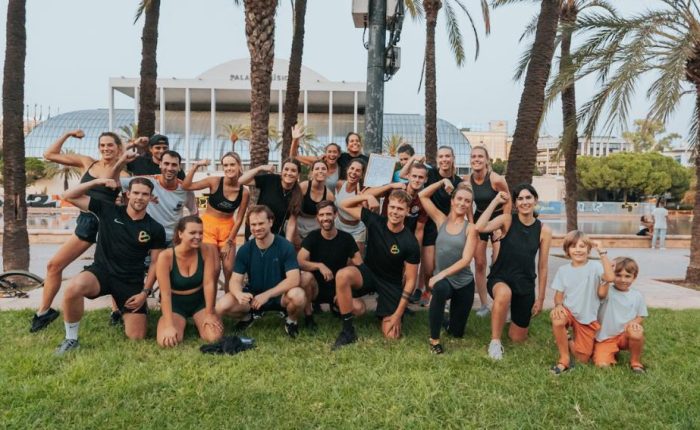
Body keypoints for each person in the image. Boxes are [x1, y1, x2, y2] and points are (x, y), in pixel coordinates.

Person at [55, 177, 166, 355]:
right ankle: (71, 339)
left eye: (145, 194)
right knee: (73, 288)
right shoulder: (107, 209)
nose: (139, 197)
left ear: (150, 197)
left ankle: (123, 311)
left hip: (130, 281)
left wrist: (145, 293)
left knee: (137, 336)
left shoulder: (155, 228)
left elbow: (155, 263)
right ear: (128, 194)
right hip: (101, 273)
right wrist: (97, 181)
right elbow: (68, 195)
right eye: (136, 193)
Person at [31, 130, 124, 333]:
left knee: (113, 268)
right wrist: (68, 134)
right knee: (54, 265)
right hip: (86, 223)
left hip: (107, 225)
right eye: (102, 145)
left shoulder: (123, 172)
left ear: (118, 148)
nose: (106, 148)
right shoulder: (87, 162)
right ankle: (44, 312)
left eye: (110, 145)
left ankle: (117, 312)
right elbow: (49, 154)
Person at [332, 190, 420, 349]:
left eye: (400, 209)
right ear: (387, 207)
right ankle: (347, 331)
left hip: (390, 283)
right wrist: (367, 196)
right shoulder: (375, 221)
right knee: (342, 275)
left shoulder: (410, 242)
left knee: (391, 336)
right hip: (369, 273)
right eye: (392, 207)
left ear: (407, 211)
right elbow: (342, 204)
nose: (395, 212)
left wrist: (398, 314)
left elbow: (411, 280)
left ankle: (384, 307)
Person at [476, 184, 552, 361]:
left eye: (528, 198)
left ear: (535, 200)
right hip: (500, 277)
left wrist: (540, 299)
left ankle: (506, 313)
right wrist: (496, 201)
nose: (525, 202)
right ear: (516, 203)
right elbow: (479, 227)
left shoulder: (544, 230)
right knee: (504, 293)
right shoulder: (507, 220)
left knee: (517, 338)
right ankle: (495, 342)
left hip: (525, 284)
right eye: (520, 198)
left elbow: (542, 266)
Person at [215, 205, 306, 338]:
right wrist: (239, 294)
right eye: (253, 224)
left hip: (280, 296)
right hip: (254, 298)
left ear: (270, 222)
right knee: (222, 305)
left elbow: (294, 279)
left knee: (298, 295)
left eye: (261, 223)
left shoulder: (285, 246)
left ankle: (291, 320)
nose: (257, 228)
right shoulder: (245, 249)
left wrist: (267, 295)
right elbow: (235, 280)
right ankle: (248, 317)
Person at [420, 180, 481, 354]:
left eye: (467, 201)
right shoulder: (441, 220)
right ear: (452, 201)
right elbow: (422, 196)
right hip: (444, 282)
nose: (462, 203)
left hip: (464, 283)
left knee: (456, 333)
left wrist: (439, 274)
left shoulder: (471, 228)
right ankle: (434, 340)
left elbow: (466, 260)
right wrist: (441, 182)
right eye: (459, 199)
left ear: (470, 205)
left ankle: (444, 319)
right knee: (439, 289)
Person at [399, 146, 463, 305]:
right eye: (441, 156)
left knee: (443, 265)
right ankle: (425, 291)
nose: (444, 159)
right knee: (428, 267)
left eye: (447, 156)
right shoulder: (431, 173)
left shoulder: (458, 182)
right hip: (427, 224)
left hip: (446, 225)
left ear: (453, 158)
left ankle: (435, 296)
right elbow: (403, 175)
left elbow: (461, 204)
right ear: (437, 159)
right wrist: (413, 159)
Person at [549, 230, 614, 374]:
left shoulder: (595, 267)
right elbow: (558, 295)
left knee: (582, 358)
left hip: (586, 317)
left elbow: (610, 278)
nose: (578, 250)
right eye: (573, 246)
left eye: (582, 246)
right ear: (567, 250)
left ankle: (567, 338)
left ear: (588, 249)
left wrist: (602, 251)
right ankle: (564, 359)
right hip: (569, 311)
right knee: (557, 319)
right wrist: (558, 305)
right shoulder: (563, 270)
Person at [182, 153, 250, 290]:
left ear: (239, 166)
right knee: (215, 269)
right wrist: (196, 166)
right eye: (225, 165)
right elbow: (186, 185)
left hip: (228, 229)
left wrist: (229, 242)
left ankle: (228, 300)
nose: (229, 168)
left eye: (232, 164)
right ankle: (210, 301)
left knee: (229, 269)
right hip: (208, 227)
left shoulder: (244, 192)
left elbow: (239, 219)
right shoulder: (214, 182)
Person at [156, 216, 223, 347]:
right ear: (180, 234)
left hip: (199, 301)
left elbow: (209, 284)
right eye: (192, 233)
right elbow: (165, 294)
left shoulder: (206, 250)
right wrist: (169, 325)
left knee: (214, 337)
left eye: (200, 233)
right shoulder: (166, 256)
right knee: (167, 342)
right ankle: (175, 322)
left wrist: (210, 313)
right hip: (176, 304)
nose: (198, 237)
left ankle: (200, 319)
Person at [298, 201, 363, 329]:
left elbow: (359, 263)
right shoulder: (313, 237)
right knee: (305, 277)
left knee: (359, 308)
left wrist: (348, 283)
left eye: (328, 214)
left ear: (335, 215)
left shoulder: (346, 238)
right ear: (317, 217)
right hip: (316, 288)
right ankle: (309, 317)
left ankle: (337, 306)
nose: (325, 218)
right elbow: (300, 261)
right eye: (321, 215)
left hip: (338, 288)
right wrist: (319, 266)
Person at [118, 150, 198, 245]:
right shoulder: (148, 181)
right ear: (160, 164)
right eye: (166, 164)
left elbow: (194, 213)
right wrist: (121, 199)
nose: (169, 168)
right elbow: (117, 182)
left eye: (174, 165)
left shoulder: (185, 189)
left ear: (179, 167)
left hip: (173, 241)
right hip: (148, 237)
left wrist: (190, 233)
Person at [466, 146, 510, 318]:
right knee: (479, 263)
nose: (476, 159)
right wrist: (471, 224)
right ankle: (485, 304)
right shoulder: (467, 180)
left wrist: (505, 226)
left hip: (498, 218)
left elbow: (508, 200)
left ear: (486, 160)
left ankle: (503, 302)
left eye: (480, 156)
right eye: (473, 156)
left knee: (499, 262)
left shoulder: (496, 179)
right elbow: (468, 204)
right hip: (481, 219)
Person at [593, 257, 648, 373]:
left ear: (634, 277)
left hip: (625, 335)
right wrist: (608, 270)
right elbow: (602, 290)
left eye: (627, 276)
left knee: (636, 332)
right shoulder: (607, 291)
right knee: (602, 365)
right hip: (606, 338)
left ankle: (635, 362)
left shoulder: (637, 295)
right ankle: (610, 351)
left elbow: (641, 315)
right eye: (618, 275)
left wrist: (634, 323)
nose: (623, 280)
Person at [238, 159, 302, 242]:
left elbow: (291, 222)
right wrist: (260, 168)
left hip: (275, 235)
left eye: (293, 171)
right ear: (281, 171)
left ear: (298, 175)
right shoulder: (271, 179)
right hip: (256, 230)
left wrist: (288, 243)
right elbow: (241, 180)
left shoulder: (297, 194)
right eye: (286, 169)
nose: (289, 173)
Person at [289, 125, 342, 190]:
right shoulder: (317, 162)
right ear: (325, 153)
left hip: (329, 196)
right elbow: (294, 156)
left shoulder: (340, 168)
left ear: (339, 154)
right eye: (329, 152)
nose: (332, 154)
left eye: (335, 152)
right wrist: (295, 139)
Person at [296, 160, 335, 241]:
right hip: (297, 223)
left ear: (327, 173)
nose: (320, 171)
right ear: (311, 173)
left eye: (323, 169)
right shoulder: (303, 187)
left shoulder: (329, 195)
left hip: (316, 227)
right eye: (317, 168)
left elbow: (330, 217)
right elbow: (292, 211)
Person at [334, 159, 368, 252]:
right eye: (352, 168)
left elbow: (369, 214)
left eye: (358, 170)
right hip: (338, 226)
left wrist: (363, 203)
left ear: (362, 175)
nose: (353, 172)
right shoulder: (339, 184)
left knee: (356, 258)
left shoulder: (363, 191)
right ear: (347, 169)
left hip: (357, 230)